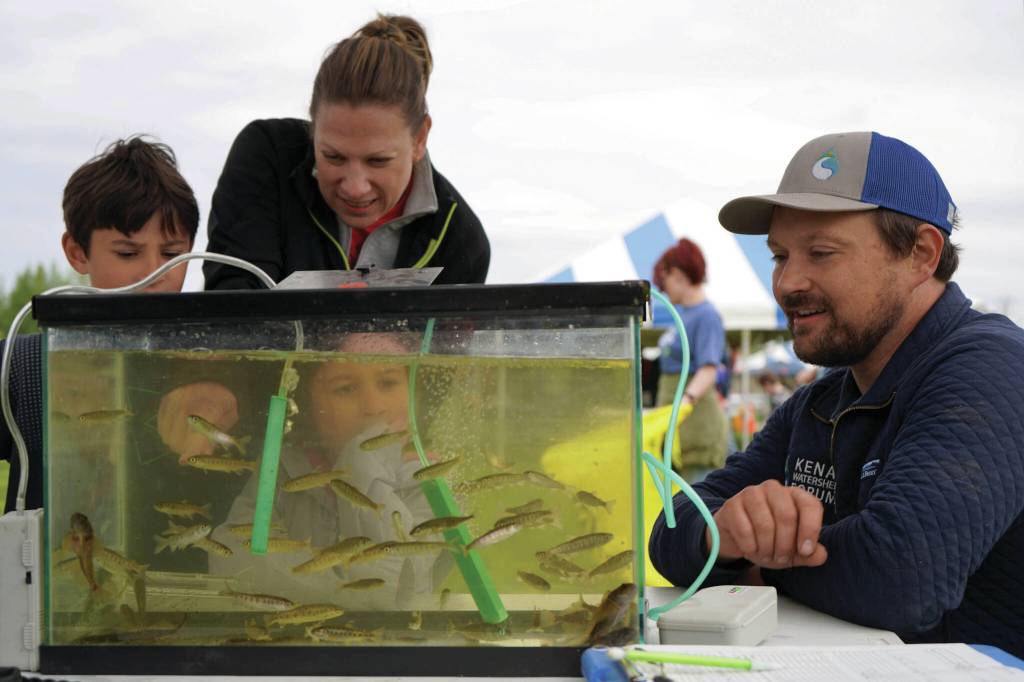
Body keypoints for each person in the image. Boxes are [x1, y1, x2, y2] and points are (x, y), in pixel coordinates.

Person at [649, 131, 1024, 656]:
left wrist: (752, 565)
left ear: (921, 253)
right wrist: (721, 535)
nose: (787, 282)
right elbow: (672, 527)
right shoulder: (823, 401)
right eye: (780, 255)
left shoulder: (993, 365)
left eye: (821, 253)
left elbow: (900, 578)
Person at [203, 14, 490, 290]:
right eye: (333, 157)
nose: (355, 188)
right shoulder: (268, 157)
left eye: (378, 161)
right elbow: (234, 301)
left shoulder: (461, 240)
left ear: (420, 138)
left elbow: (443, 341)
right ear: (313, 131)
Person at [1, 136, 199, 513]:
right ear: (77, 252)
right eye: (128, 252)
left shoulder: (221, 366)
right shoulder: (24, 367)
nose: (154, 272)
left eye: (173, 253)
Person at [208, 331, 448, 606]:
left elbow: (392, 588)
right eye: (345, 389)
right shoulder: (285, 469)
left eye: (388, 382)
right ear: (310, 405)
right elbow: (232, 558)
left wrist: (360, 467)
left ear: (415, 394)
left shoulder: (431, 480)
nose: (374, 407)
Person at [652, 238, 729, 478]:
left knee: (696, 506)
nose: (662, 290)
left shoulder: (706, 316)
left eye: (663, 282)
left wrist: (683, 404)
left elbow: (709, 368)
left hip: (697, 431)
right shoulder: (685, 315)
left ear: (676, 274)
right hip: (681, 433)